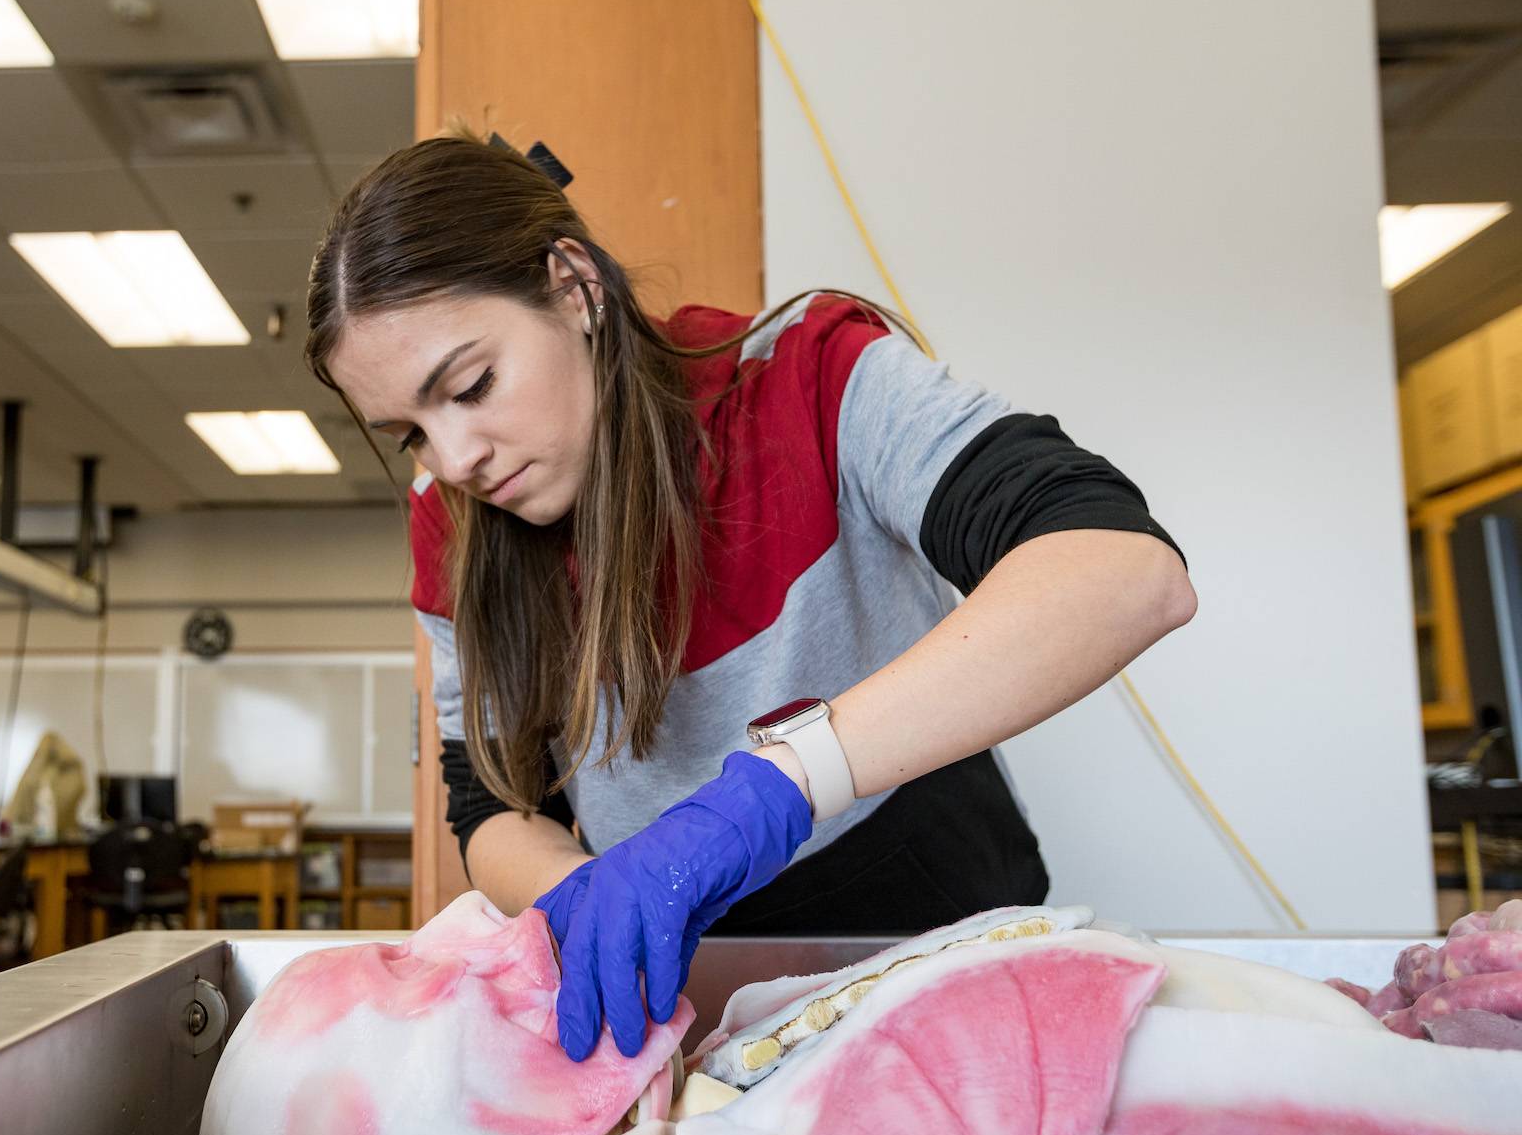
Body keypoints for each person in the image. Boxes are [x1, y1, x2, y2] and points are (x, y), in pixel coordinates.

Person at [303, 132, 1195, 1063]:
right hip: (690, 1018)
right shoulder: (450, 522)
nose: (456, 460)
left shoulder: (810, 376)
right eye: (409, 431)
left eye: (473, 385)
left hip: (949, 954)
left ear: (574, 286)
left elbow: (1122, 566)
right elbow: (489, 803)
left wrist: (781, 783)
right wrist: (585, 896)